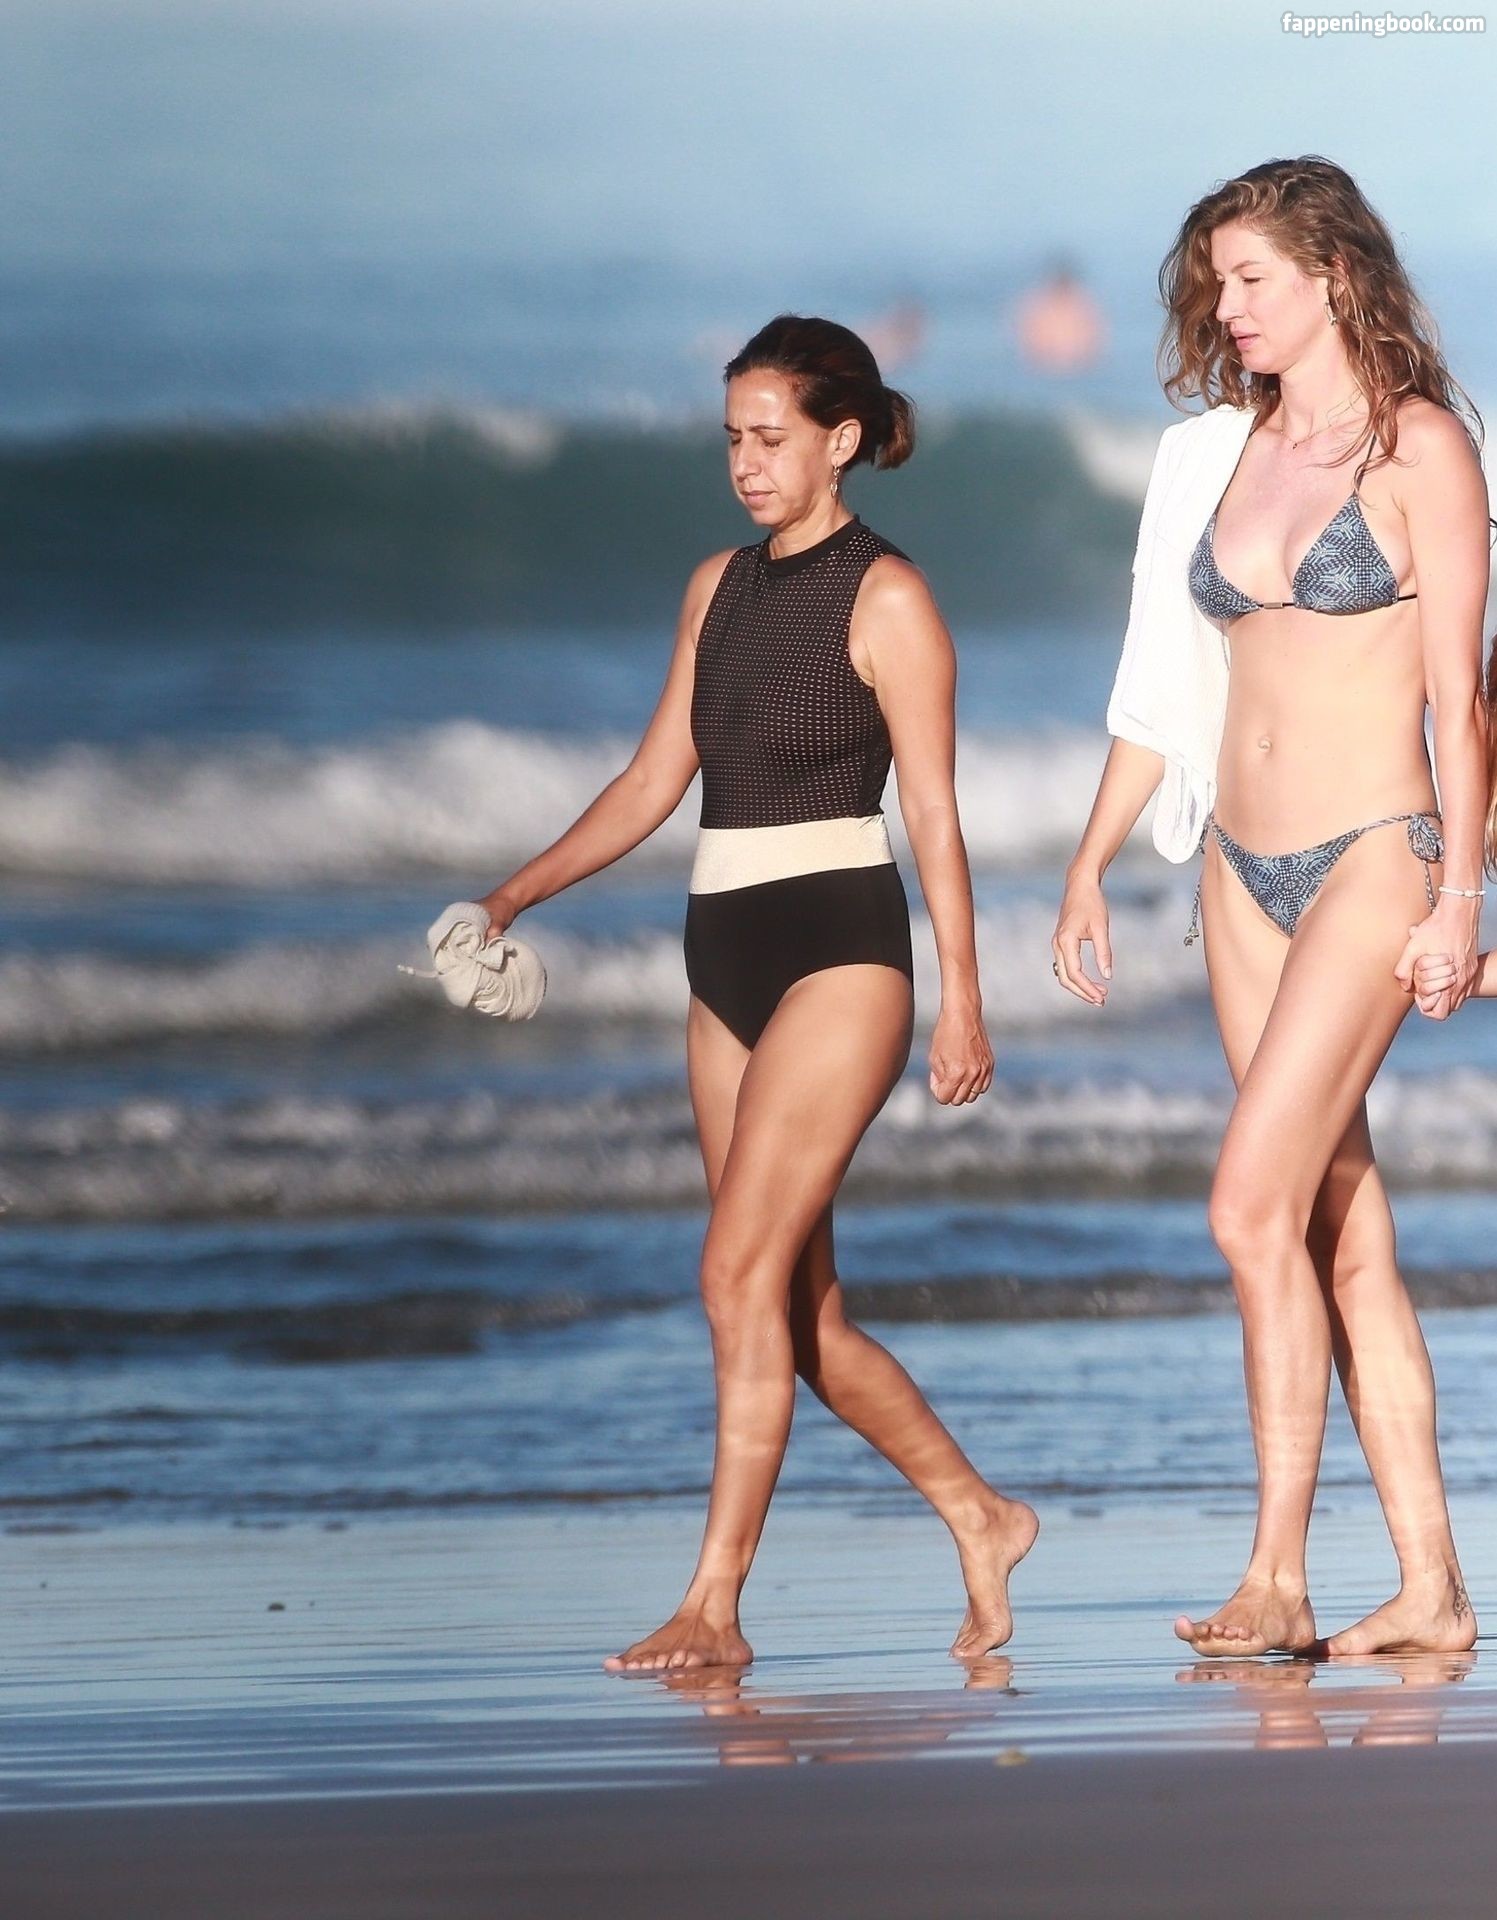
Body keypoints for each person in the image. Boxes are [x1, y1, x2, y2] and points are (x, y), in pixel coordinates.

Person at [479, 314, 1037, 1671]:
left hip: (841, 950)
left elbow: (936, 815)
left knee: (730, 1273)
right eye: (732, 437)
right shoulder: (714, 587)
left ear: (840, 441)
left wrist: (963, 997)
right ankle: (982, 1515)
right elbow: (650, 780)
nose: (745, 461)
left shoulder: (888, 597)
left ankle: (714, 1608)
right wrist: (510, 895)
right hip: (720, 953)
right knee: (794, 1315)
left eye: (770, 437)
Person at [1051, 158, 1489, 1658]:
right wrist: (1090, 859)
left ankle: (1276, 1576)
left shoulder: (1423, 446)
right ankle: (1432, 1592)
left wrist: (1460, 899)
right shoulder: (1212, 455)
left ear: (1333, 275)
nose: (1224, 307)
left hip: (1374, 857)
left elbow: (1459, 702)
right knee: (1331, 1225)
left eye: (1250, 279)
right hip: (1236, 872)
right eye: (1214, 284)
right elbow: (1162, 683)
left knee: (1245, 1207)